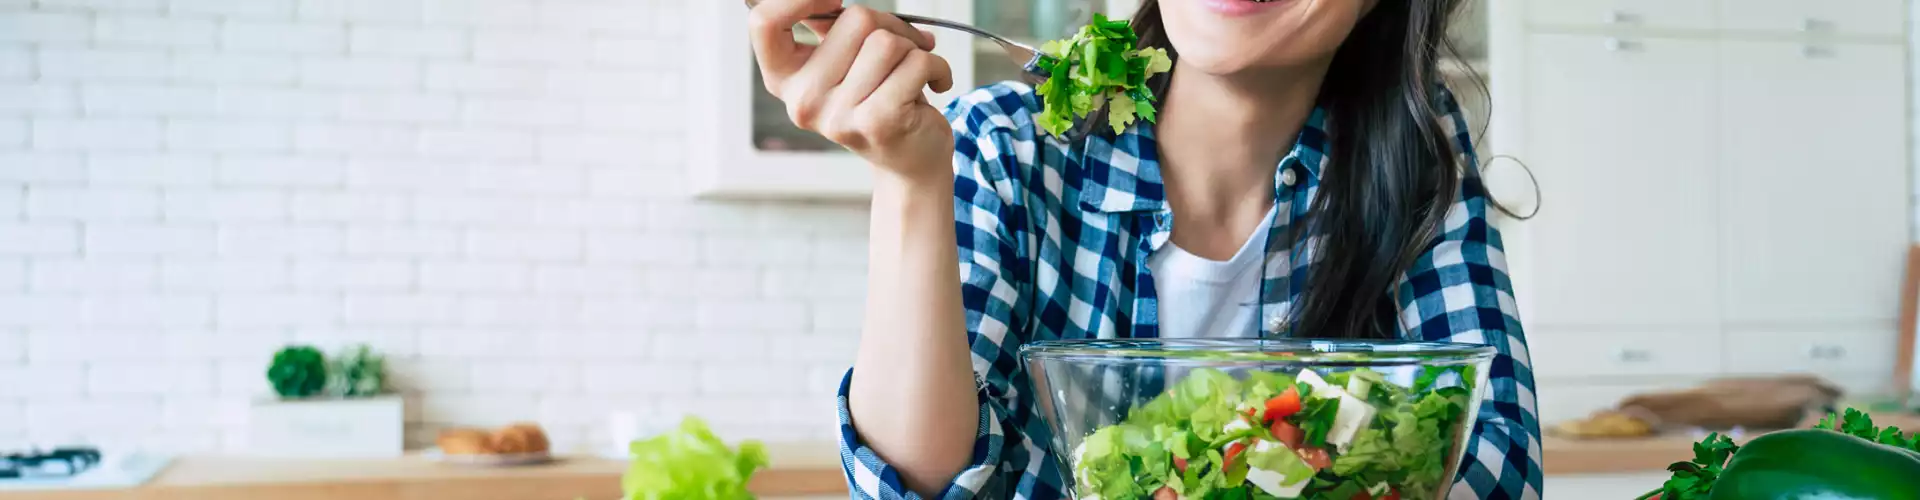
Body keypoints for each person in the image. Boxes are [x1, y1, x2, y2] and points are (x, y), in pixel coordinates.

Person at [747, 0, 1541, 498]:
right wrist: (912, 177)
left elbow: (1496, 467)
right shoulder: (1007, 146)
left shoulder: (1416, 162)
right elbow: (918, 489)